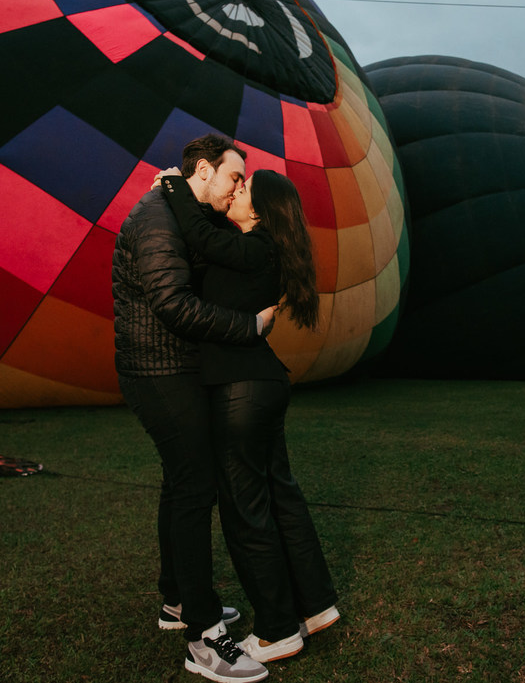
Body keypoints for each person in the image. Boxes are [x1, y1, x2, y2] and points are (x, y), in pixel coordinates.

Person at [158, 165, 340, 666]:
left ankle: (278, 629)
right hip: (260, 386)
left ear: (261, 209)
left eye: (243, 188)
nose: (235, 189)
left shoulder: (258, 247)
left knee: (246, 510)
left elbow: (197, 234)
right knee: (281, 498)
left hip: (242, 390)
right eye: (236, 182)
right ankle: (316, 605)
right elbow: (207, 237)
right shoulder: (257, 248)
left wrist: (173, 184)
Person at [112, 134, 274, 683]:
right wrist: (248, 327)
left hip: (171, 367)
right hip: (159, 372)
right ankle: (204, 637)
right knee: (195, 485)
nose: (236, 190)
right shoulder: (157, 218)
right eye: (233, 177)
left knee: (180, 484)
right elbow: (174, 304)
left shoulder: (175, 208)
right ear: (203, 170)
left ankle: (177, 599)